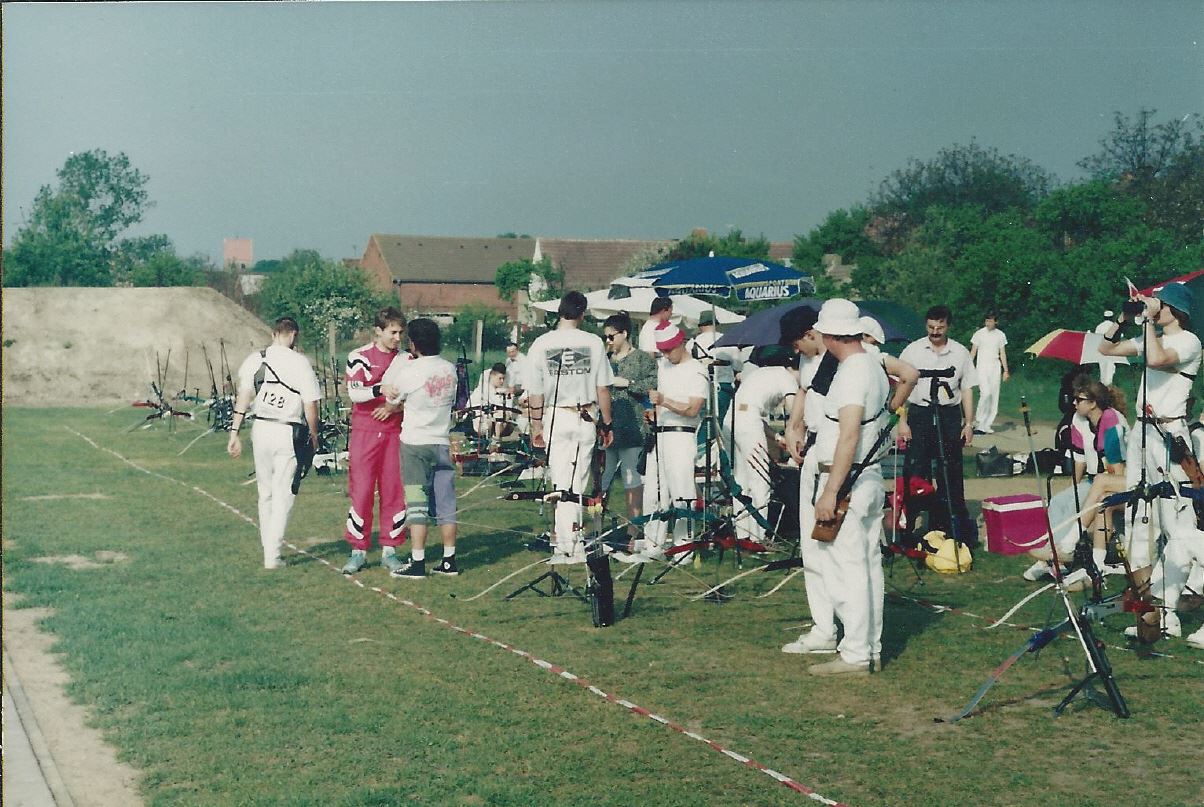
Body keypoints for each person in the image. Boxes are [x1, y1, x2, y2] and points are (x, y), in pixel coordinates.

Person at [1099, 282, 1203, 640]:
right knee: (1139, 516)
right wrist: (1123, 319)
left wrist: (1146, 320)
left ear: (1175, 310)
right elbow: (1106, 348)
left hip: (1170, 435)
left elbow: (1158, 359)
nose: (1155, 308)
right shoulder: (1151, 337)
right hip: (1143, 434)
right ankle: (1156, 613)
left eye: (1161, 305)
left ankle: (1176, 604)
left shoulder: (1189, 341)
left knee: (1178, 524)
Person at [804, 299, 890, 677]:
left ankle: (856, 653)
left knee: (846, 569)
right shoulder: (871, 363)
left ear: (830, 335)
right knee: (867, 567)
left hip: (848, 480)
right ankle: (869, 648)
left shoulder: (854, 371)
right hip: (866, 477)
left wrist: (830, 491)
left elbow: (849, 434)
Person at [527, 291, 615, 562]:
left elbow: (535, 392)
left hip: (555, 415)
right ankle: (570, 542)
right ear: (582, 314)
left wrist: (535, 426)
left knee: (561, 480)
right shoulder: (593, 342)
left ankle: (564, 541)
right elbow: (603, 388)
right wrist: (607, 424)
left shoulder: (541, 343)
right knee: (577, 482)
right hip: (584, 414)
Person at [227, 317, 321, 569]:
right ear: (294, 335)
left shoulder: (255, 359)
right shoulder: (300, 362)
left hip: (260, 428)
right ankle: (273, 554)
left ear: (273, 334)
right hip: (287, 429)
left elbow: (243, 397)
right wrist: (314, 434)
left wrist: (234, 432)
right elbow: (310, 404)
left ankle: (268, 548)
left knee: (265, 492)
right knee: (284, 494)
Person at [1022, 379, 1129, 583]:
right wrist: (1074, 484)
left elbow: (1118, 467)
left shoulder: (1111, 420)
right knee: (1059, 501)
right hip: (1094, 480)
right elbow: (1079, 459)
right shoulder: (1078, 420)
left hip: (1117, 479)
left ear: (1093, 403)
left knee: (1078, 501)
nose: (1074, 403)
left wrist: (1104, 489)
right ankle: (1055, 553)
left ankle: (1059, 555)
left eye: (1079, 400)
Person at [379, 318, 460, 578]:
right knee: (446, 503)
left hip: (415, 444)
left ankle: (418, 561)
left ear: (413, 344)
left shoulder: (410, 371)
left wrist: (392, 402)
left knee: (417, 504)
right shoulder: (449, 369)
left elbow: (391, 402)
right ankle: (449, 559)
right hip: (441, 441)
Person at [898, 305, 978, 546]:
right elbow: (901, 387)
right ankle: (908, 528)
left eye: (940, 328)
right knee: (916, 471)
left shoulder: (960, 352)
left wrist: (969, 423)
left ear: (947, 326)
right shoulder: (913, 351)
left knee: (950, 471)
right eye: (931, 327)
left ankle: (948, 528)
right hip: (919, 413)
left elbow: (967, 389)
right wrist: (902, 421)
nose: (935, 332)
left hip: (948, 414)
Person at [340, 308, 410, 575]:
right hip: (365, 433)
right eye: (393, 332)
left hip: (395, 433)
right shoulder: (359, 356)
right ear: (378, 331)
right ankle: (358, 550)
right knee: (362, 491)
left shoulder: (406, 359)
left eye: (401, 332)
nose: (398, 337)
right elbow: (355, 394)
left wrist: (395, 407)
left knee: (394, 491)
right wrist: (379, 389)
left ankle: (390, 550)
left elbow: (415, 395)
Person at [642, 321, 708, 560]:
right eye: (662, 351)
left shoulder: (697, 370)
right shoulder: (663, 367)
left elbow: (693, 409)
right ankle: (653, 544)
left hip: (682, 435)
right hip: (660, 434)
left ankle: (683, 547)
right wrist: (654, 412)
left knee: (682, 492)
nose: (666, 355)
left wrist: (664, 401)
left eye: (669, 349)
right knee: (654, 492)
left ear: (681, 343)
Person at [721, 344, 798, 546]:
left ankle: (743, 534)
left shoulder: (754, 376)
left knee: (741, 479)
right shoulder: (785, 376)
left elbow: (751, 413)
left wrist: (778, 438)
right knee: (760, 478)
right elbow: (794, 412)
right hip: (747, 423)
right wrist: (795, 437)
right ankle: (760, 536)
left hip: (731, 420)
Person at [600, 312, 658, 545]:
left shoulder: (642, 359)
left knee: (631, 479)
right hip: (607, 428)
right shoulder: (604, 360)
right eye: (605, 337)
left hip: (633, 428)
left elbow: (654, 385)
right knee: (602, 480)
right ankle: (598, 526)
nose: (608, 342)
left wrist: (630, 384)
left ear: (624, 334)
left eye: (611, 337)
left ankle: (634, 529)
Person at [969, 312, 1009, 435]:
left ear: (996, 322)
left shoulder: (1000, 335)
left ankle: (987, 424)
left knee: (994, 395)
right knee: (985, 393)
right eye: (987, 321)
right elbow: (973, 352)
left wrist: (1006, 370)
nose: (988, 323)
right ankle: (979, 422)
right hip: (982, 367)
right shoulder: (979, 334)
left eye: (991, 321)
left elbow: (1002, 353)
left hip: (995, 367)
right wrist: (968, 367)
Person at [1094, 311, 1120, 386]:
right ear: (1112, 317)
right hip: (1112, 352)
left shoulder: (1099, 327)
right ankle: (1109, 387)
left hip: (1101, 352)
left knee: (1102, 371)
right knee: (1110, 371)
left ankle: (1102, 386)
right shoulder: (1115, 326)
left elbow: (1095, 339)